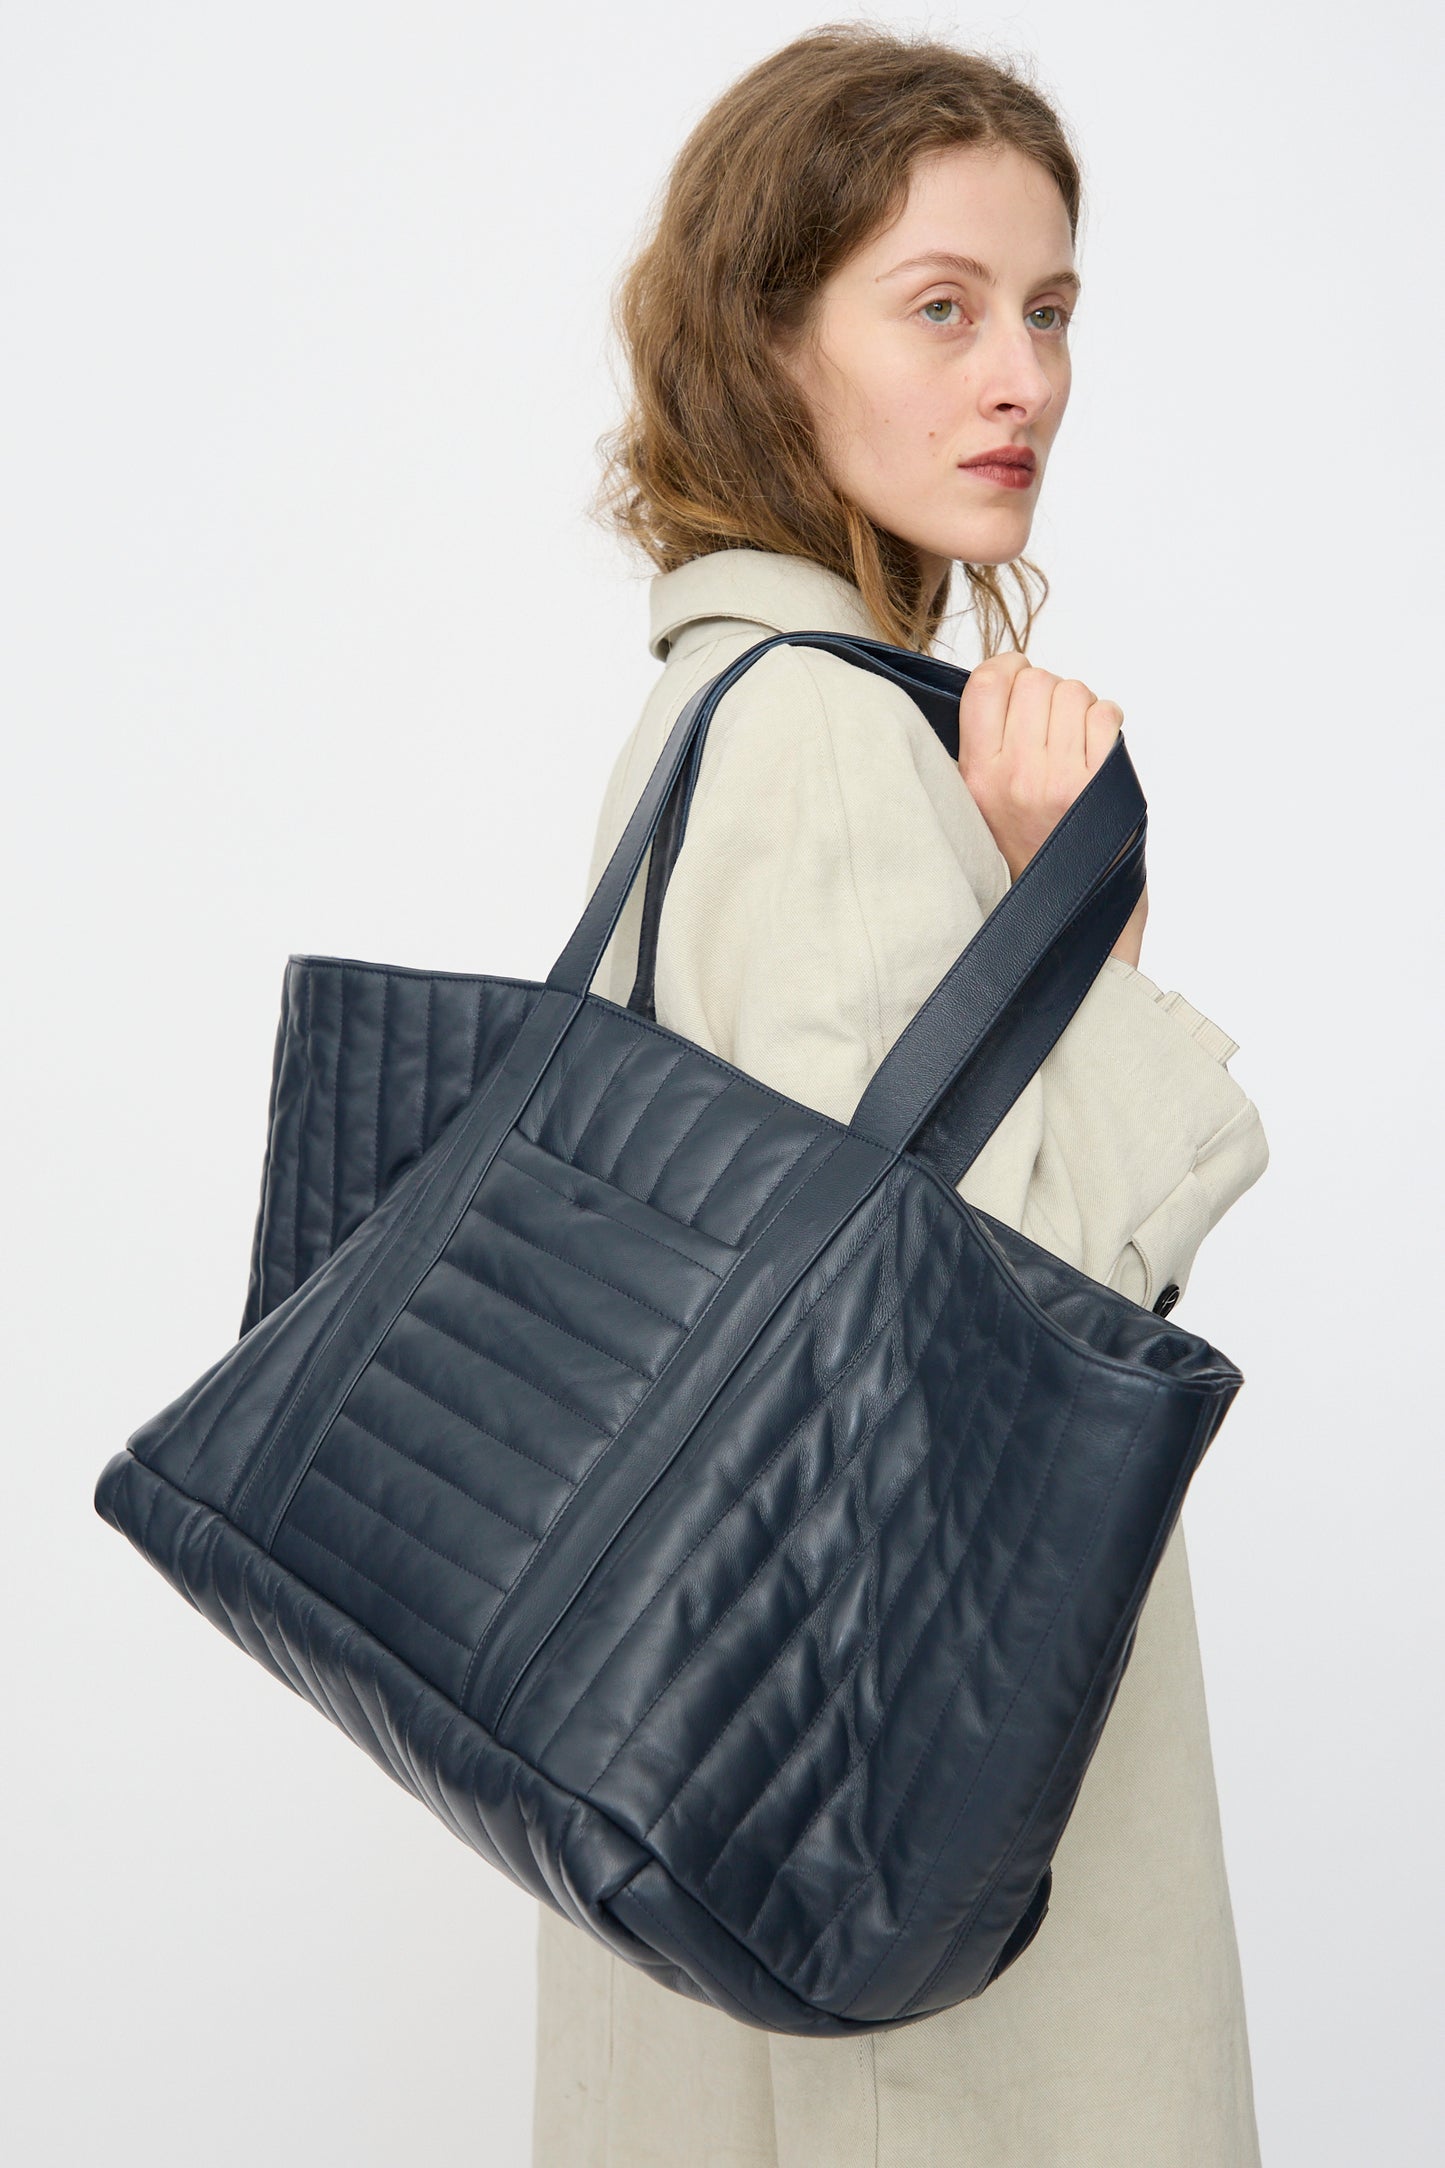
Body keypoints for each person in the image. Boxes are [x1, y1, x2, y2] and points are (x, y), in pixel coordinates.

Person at [533, 26, 1269, 2166]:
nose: (1020, 378)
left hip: (723, 1808)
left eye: (1046, 311)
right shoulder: (835, 747)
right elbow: (965, 1364)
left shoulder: (706, 710)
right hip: (910, 1901)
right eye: (938, 308)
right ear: (769, 347)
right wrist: (1081, 927)